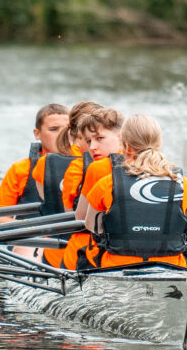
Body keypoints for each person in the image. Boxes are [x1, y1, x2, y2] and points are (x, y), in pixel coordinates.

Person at [72, 112, 187, 271]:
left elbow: (92, 226)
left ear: (126, 146)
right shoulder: (186, 185)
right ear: (159, 144)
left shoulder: (106, 184)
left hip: (116, 267)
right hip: (171, 267)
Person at [34, 102, 124, 266]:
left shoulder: (54, 165)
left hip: (72, 252)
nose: (93, 146)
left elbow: (76, 217)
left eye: (99, 138)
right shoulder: (147, 164)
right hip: (122, 251)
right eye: (90, 140)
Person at [0, 101, 73, 209]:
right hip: (31, 225)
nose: (62, 135)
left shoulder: (86, 163)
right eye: (54, 129)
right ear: (37, 134)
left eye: (67, 129)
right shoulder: (20, 169)